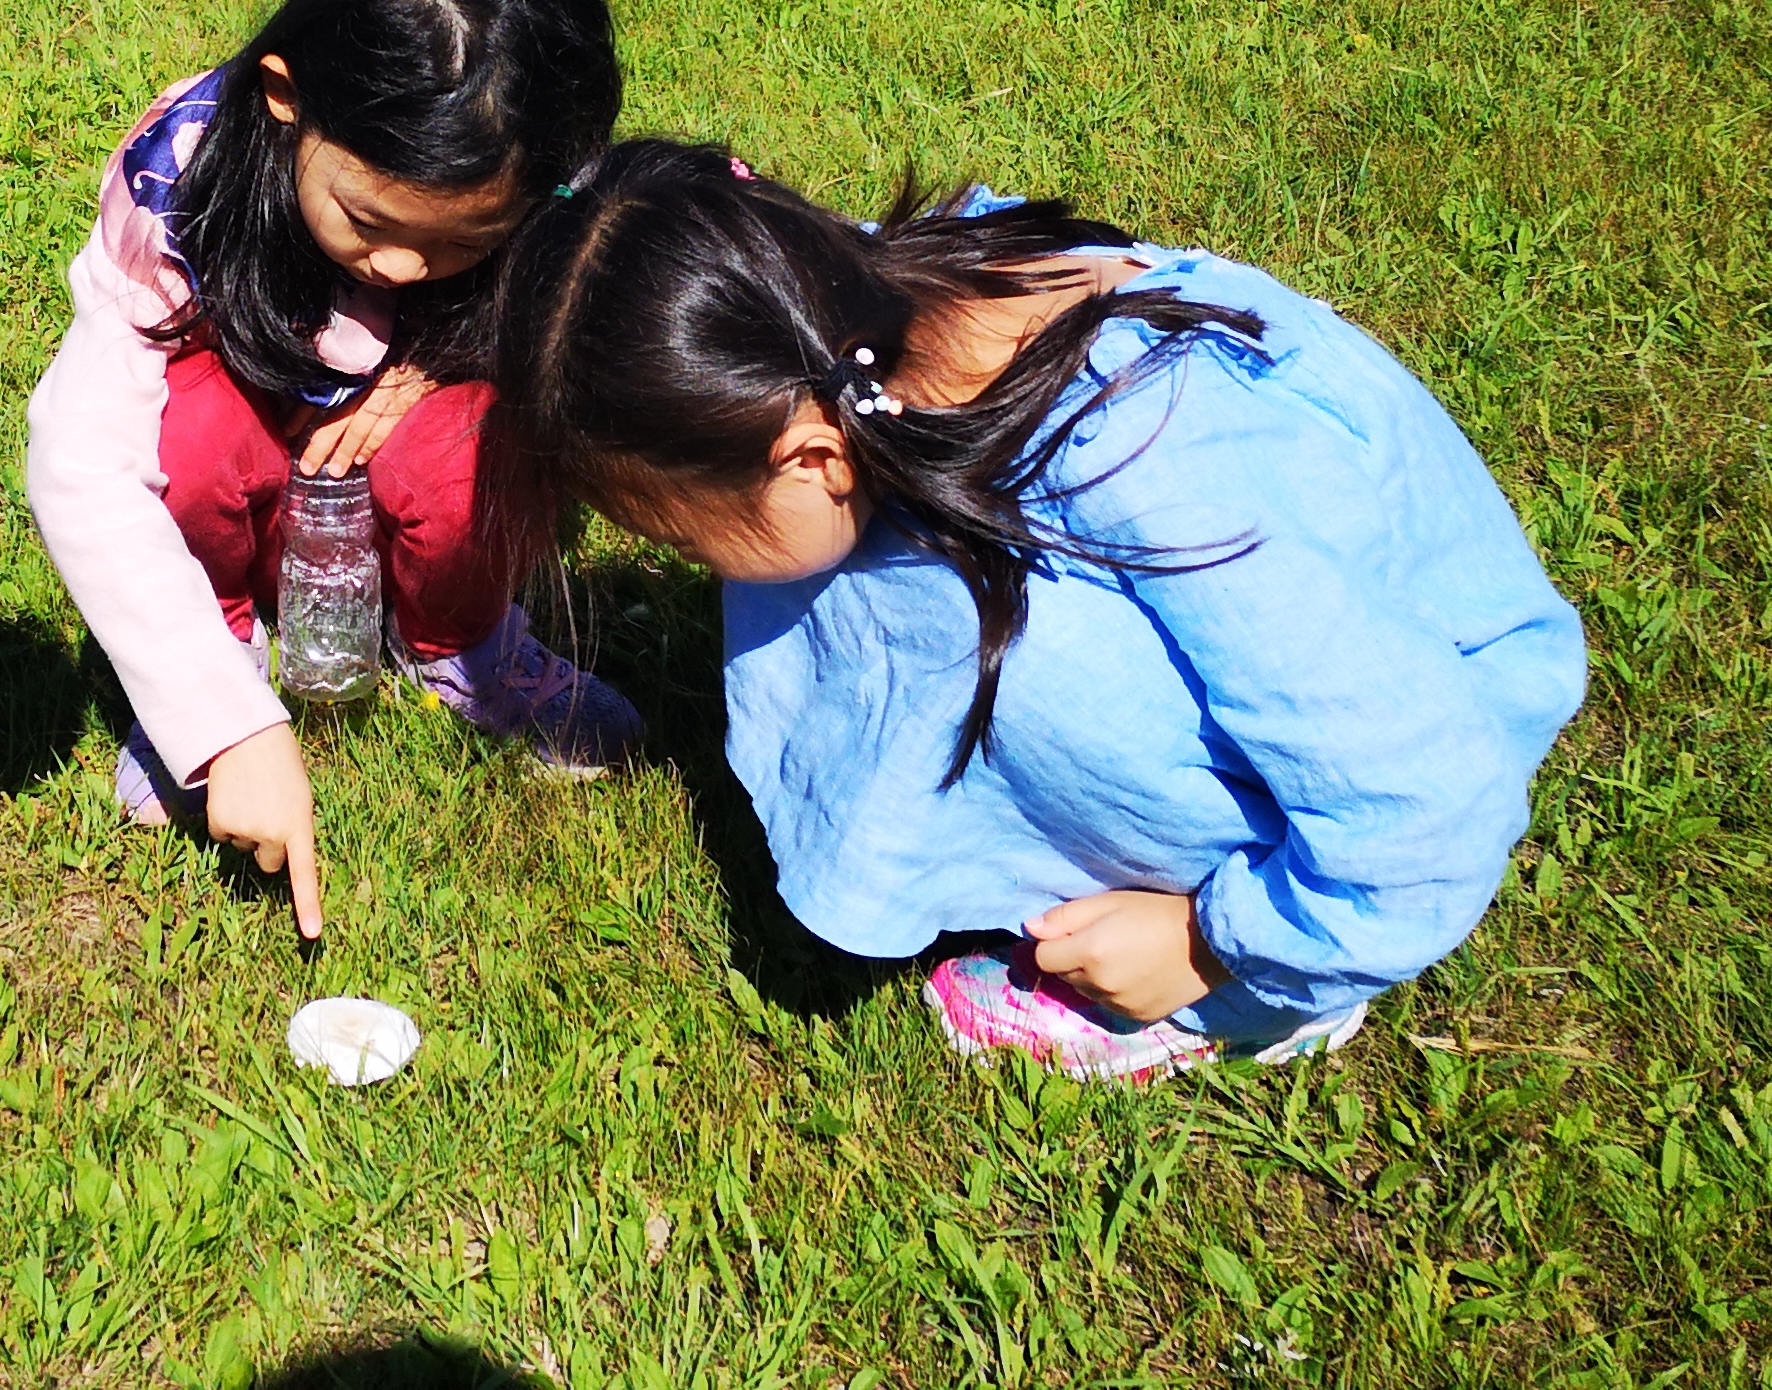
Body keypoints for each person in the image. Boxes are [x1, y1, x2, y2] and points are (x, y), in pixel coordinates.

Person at [486, 141, 1584, 1080]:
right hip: (1317, 678)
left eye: (681, 540)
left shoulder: (1158, 457)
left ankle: (1261, 992)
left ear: (812, 457)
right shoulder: (828, 330)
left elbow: (1420, 796)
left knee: (1006, 651)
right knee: (860, 577)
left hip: (1405, 751)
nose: (680, 563)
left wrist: (1211, 943)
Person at [23, 0, 642, 941]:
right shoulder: (177, 191)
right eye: (367, 219)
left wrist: (432, 366)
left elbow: (605, 313)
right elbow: (82, 460)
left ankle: (460, 643)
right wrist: (221, 724)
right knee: (186, 427)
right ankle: (222, 647)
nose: (400, 265)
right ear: (285, 97)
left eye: (462, 243)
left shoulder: (546, 167)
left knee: (481, 441)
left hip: (413, 428)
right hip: (248, 449)